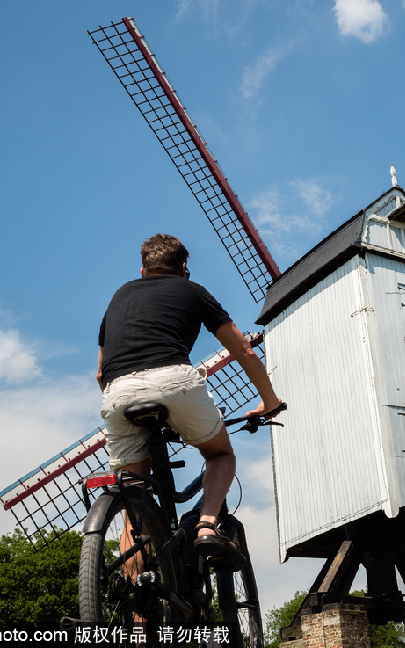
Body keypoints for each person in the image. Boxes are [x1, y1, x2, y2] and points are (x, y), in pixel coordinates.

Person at [97, 234, 282, 568]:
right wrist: (269, 401)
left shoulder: (118, 296)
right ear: (183, 268)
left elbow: (100, 373)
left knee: (133, 508)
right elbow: (242, 349)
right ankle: (207, 526)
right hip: (174, 381)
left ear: (143, 269)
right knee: (221, 454)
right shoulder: (193, 291)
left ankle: (137, 612)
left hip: (117, 391)